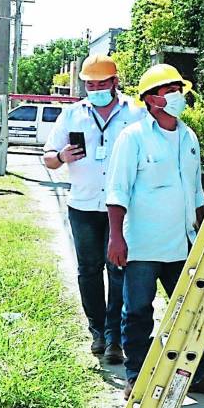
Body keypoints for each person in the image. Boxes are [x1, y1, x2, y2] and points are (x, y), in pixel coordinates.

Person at [106, 64, 204, 400]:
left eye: (179, 89)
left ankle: (199, 374)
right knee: (138, 313)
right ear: (150, 100)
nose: (178, 95)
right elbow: (117, 191)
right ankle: (136, 376)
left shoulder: (189, 138)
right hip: (143, 245)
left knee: (192, 311)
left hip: (183, 244)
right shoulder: (133, 138)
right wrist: (116, 237)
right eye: (169, 90)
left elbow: (197, 195)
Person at [44, 55, 142, 363]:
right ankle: (97, 331)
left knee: (118, 270)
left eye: (101, 83)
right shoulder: (72, 115)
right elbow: (47, 157)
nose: (95, 88)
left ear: (115, 82)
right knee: (88, 271)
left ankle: (115, 337)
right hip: (83, 205)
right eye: (90, 84)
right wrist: (61, 156)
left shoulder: (135, 113)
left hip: (122, 206)